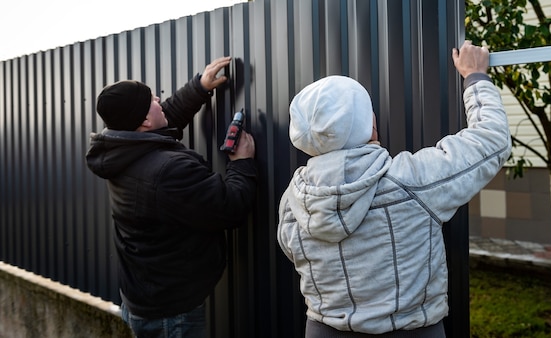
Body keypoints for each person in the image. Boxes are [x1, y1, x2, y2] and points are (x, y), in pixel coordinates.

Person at [277, 41, 511, 337]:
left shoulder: (294, 199)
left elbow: (293, 252)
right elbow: (492, 141)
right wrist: (475, 77)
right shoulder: (411, 181)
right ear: (369, 124)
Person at [86, 56, 257, 338]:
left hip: (143, 297)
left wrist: (198, 88)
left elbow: (161, 121)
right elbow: (230, 207)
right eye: (152, 99)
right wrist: (242, 163)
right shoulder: (166, 172)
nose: (158, 100)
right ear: (142, 120)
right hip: (170, 315)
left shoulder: (121, 149)